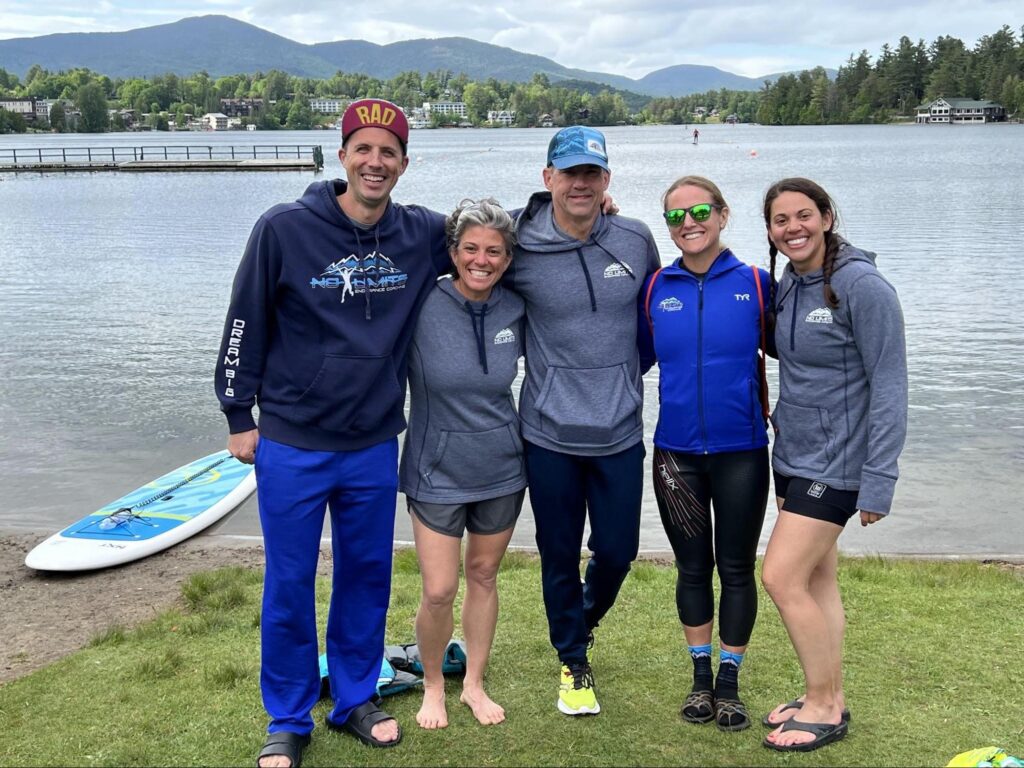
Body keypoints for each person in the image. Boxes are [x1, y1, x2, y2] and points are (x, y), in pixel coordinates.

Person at [214, 98, 450, 767]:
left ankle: (353, 697)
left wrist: (566, 206)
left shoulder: (421, 233)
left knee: (367, 576)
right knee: (289, 580)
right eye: (365, 149)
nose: (376, 163)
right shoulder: (284, 228)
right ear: (343, 154)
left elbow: (490, 235)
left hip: (374, 441)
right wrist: (238, 412)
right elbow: (243, 320)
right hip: (292, 440)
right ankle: (288, 717)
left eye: (390, 152)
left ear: (406, 164)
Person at [505, 125, 661, 716]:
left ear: (606, 180)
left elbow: (657, 311)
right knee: (557, 551)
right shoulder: (517, 241)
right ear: (548, 179)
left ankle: (580, 619)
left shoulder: (635, 237)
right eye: (569, 173)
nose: (581, 184)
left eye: (591, 174)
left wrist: (625, 373)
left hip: (620, 429)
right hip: (548, 433)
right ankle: (573, 660)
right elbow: (467, 253)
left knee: (618, 552)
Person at [759, 178, 907, 752]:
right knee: (818, 580)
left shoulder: (862, 286)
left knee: (780, 576)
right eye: (780, 220)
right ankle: (827, 693)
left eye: (803, 216)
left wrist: (880, 478)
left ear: (826, 216)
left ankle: (824, 708)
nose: (793, 228)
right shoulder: (790, 285)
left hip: (839, 462)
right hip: (792, 453)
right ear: (770, 230)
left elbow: (890, 384)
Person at [638, 176, 771, 732]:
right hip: (675, 457)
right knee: (693, 569)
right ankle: (699, 680)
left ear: (722, 214)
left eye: (698, 211)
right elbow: (628, 360)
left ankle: (730, 682)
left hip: (742, 450)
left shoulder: (758, 284)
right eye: (675, 216)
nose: (687, 223)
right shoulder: (654, 289)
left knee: (737, 568)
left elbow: (811, 352)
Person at [399, 198, 526, 729]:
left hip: (501, 465)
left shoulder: (517, 306)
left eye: (494, 251)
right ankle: (433, 684)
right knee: (438, 588)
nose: (482, 260)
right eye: (470, 249)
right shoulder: (419, 301)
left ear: (507, 257)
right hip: (435, 466)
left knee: (484, 575)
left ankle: (473, 682)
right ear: (451, 252)